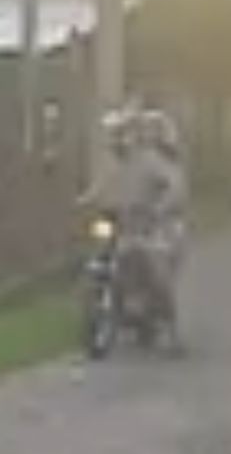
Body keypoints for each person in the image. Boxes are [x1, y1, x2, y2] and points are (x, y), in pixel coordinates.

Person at [79, 101, 188, 353]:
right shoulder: (113, 164)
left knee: (157, 272)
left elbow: (175, 186)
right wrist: (85, 200)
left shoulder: (150, 160)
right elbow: (100, 186)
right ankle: (102, 310)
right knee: (99, 253)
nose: (118, 142)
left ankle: (171, 330)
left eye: (122, 135)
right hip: (120, 224)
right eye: (114, 137)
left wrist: (161, 206)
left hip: (151, 226)